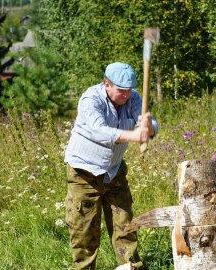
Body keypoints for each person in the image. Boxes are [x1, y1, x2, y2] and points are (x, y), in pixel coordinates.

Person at [64, 62, 158, 270]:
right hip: (85, 174)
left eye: (129, 90)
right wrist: (133, 135)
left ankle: (130, 267)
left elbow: (149, 126)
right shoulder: (91, 99)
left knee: (125, 226)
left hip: (114, 172)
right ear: (107, 84)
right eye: (121, 91)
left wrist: (149, 126)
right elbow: (99, 131)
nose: (126, 95)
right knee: (84, 232)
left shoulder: (132, 98)